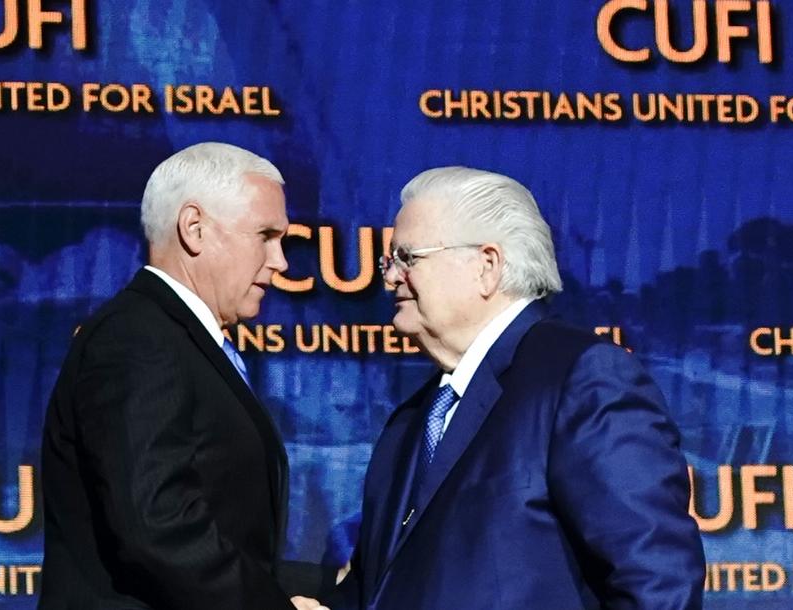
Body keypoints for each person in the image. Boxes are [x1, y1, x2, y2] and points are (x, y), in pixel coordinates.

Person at [339, 167, 705, 609]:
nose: (389, 277)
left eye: (407, 258)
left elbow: (657, 581)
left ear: (487, 266)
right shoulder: (411, 420)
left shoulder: (581, 378)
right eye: (389, 262)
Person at [39, 142, 326, 610]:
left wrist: (335, 584)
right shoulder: (138, 340)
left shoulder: (174, 339)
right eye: (266, 236)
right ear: (194, 228)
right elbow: (157, 525)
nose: (282, 262)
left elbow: (225, 535)